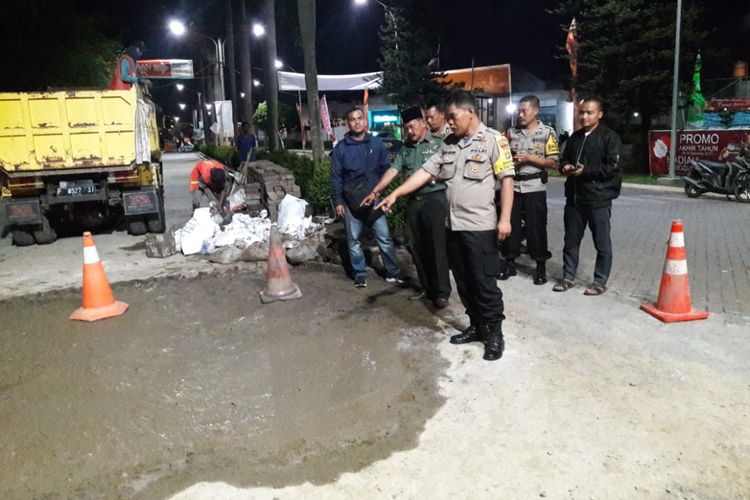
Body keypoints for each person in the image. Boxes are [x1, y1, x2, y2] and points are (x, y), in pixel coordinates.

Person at [378, 91, 515, 361]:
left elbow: (507, 179)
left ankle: (495, 333)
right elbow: (425, 172)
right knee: (464, 281)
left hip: (479, 227)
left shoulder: (493, 140)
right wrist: (395, 193)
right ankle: (476, 326)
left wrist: (505, 218)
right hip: (452, 227)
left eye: (453, 117)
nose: (449, 123)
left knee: (484, 282)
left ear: (470, 113)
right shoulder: (449, 144)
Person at [362, 107, 451, 308]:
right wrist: (376, 191)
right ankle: (427, 287)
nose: (409, 131)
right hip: (413, 202)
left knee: (436, 247)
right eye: (406, 127)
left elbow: (447, 169)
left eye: (412, 126)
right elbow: (393, 170)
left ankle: (442, 292)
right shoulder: (405, 148)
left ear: (423, 123)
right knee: (416, 246)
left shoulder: (438, 143)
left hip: (434, 200)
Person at [553, 96, 622, 296]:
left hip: (598, 199)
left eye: (589, 112)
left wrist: (586, 171)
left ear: (599, 114)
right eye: (581, 112)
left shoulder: (609, 138)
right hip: (574, 199)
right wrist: (564, 166)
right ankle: (568, 277)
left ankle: (600, 281)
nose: (584, 116)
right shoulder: (574, 137)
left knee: (602, 242)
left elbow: (612, 167)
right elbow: (564, 158)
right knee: (571, 240)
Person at [330, 107, 403, 288]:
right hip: (351, 202)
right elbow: (336, 176)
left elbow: (386, 170)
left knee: (385, 238)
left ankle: (393, 272)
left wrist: (382, 194)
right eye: (352, 119)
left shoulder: (377, 144)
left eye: (359, 118)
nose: (357, 122)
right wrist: (338, 201)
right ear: (348, 123)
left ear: (365, 121)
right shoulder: (341, 149)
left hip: (375, 199)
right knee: (353, 240)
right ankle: (360, 273)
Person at [501, 95, 560, 285]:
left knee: (536, 228)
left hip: (534, 187)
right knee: (512, 226)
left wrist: (530, 159)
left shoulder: (547, 133)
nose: (520, 114)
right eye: (518, 110)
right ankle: (509, 263)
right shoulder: (511, 132)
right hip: (514, 187)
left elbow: (553, 162)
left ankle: (540, 267)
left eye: (524, 110)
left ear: (535, 111)